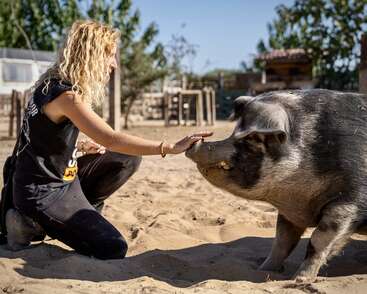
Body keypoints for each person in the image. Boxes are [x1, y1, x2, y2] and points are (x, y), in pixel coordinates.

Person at [5, 20, 212, 260]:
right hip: (42, 193)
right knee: (113, 247)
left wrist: (80, 146)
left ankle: (76, 217)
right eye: (110, 56)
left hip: (61, 180)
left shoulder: (50, 85)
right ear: (90, 55)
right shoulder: (66, 96)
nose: (113, 64)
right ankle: (29, 223)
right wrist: (169, 147)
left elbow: (39, 137)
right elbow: (111, 139)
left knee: (128, 158)